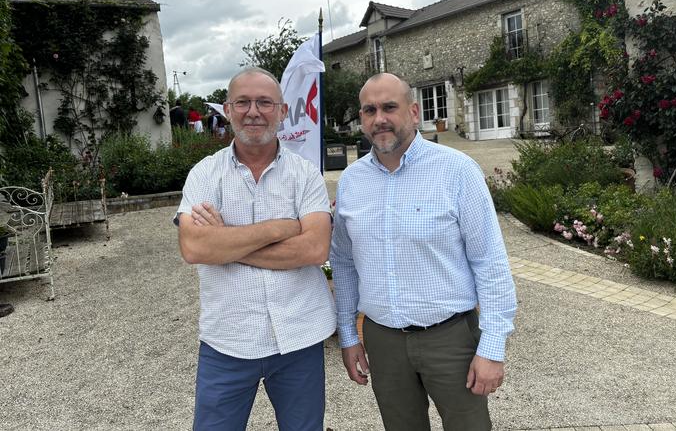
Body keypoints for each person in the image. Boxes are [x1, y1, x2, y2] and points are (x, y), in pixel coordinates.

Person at [330, 73, 517, 431]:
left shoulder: (456, 170)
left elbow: (490, 261)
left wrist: (492, 348)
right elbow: (343, 262)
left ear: (414, 112)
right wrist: (349, 336)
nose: (379, 118)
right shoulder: (352, 182)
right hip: (383, 341)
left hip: (451, 339)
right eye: (369, 110)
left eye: (390, 107)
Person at [175, 67, 335, 431]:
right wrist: (280, 228)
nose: (254, 111)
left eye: (264, 102)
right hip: (227, 340)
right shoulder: (204, 174)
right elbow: (192, 246)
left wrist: (226, 243)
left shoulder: (305, 174)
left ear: (281, 110)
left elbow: (314, 249)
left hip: (299, 338)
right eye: (243, 102)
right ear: (227, 110)